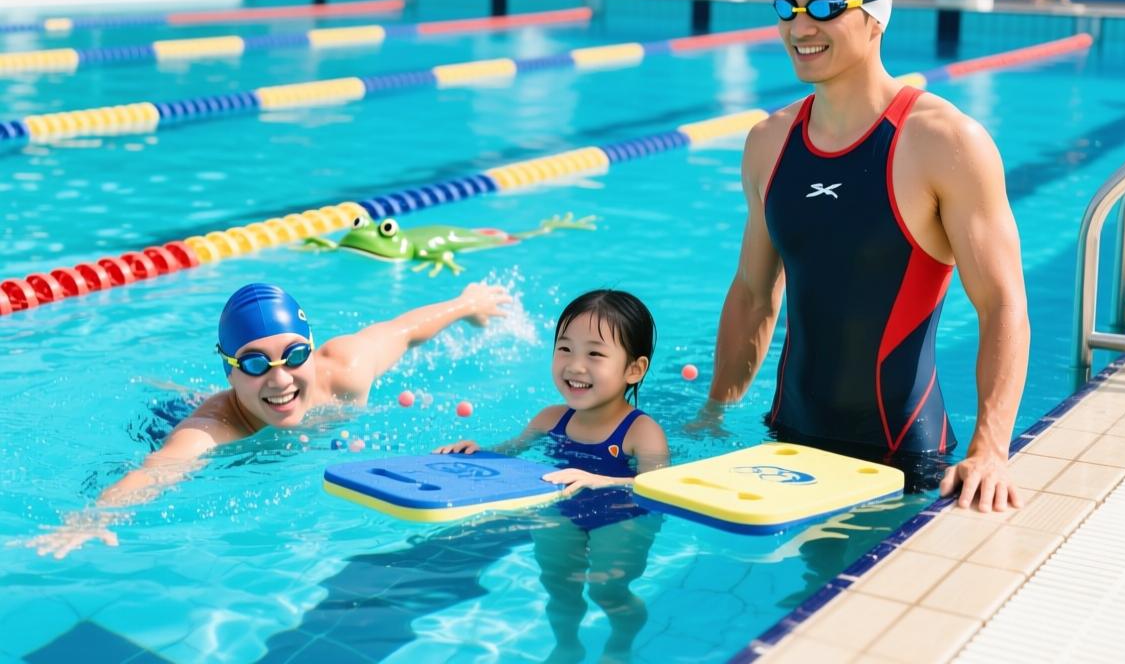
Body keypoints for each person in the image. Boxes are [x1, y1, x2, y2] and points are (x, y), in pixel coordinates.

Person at [694, 0, 1030, 512]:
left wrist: (991, 448)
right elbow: (752, 294)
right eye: (788, 7)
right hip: (788, 440)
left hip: (904, 457)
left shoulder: (945, 142)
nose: (800, 27)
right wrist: (713, 414)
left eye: (825, 6)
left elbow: (1002, 304)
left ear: (876, 15)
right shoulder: (769, 142)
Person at [28, 280, 512, 558]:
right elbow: (160, 469)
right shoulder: (216, 426)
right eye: (256, 363)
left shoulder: (344, 371)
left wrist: (468, 304)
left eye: (294, 355)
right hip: (169, 418)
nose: (280, 379)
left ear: (312, 350)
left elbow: (404, 331)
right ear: (230, 371)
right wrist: (93, 516)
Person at [436, 289, 668, 664]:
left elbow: (659, 487)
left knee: (607, 591)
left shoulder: (642, 432)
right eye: (565, 349)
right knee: (559, 584)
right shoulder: (550, 419)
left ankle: (620, 645)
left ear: (633, 370)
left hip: (623, 514)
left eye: (594, 354)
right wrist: (475, 452)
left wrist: (605, 482)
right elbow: (508, 454)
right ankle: (567, 646)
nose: (575, 366)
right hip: (563, 509)